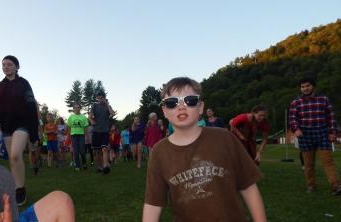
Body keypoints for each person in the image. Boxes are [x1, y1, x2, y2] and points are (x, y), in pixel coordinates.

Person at [143, 77, 266, 222]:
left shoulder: (224, 138)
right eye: (172, 103)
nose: (181, 107)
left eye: (190, 100)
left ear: (200, 107)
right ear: (164, 111)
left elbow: (248, 187)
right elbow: (153, 204)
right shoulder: (159, 152)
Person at [0, 55, 39, 206]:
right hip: (6, 126)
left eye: (9, 64)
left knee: (16, 154)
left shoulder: (23, 84)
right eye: (4, 65)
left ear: (17, 67)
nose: (6, 67)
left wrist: (34, 133)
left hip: (22, 124)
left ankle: (20, 189)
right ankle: (17, 188)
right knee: (12, 159)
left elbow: (31, 106)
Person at [288, 77, 341, 195]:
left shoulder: (323, 99)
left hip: (322, 133)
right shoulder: (296, 102)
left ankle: (336, 186)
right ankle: (311, 186)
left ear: (313, 86)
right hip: (305, 135)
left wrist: (332, 132)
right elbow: (292, 119)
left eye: (308, 86)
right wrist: (296, 129)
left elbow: (331, 116)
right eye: (303, 87)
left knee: (328, 161)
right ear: (300, 88)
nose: (305, 88)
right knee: (308, 164)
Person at [89, 91, 115, 174]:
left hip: (105, 131)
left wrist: (107, 104)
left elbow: (112, 113)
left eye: (101, 98)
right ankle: (99, 167)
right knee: (97, 151)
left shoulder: (107, 106)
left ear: (104, 98)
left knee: (104, 149)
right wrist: (91, 120)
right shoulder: (94, 105)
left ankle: (105, 166)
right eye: (98, 98)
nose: (100, 99)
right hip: (96, 130)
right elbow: (90, 115)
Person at [67, 103, 89, 171]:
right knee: (75, 151)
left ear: (80, 108)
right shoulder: (71, 117)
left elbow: (86, 127)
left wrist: (86, 136)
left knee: (82, 151)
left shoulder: (83, 117)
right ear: (73, 109)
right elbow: (69, 127)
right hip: (73, 135)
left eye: (78, 107)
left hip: (81, 135)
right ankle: (77, 166)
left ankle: (84, 163)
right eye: (75, 108)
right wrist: (69, 135)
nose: (77, 109)